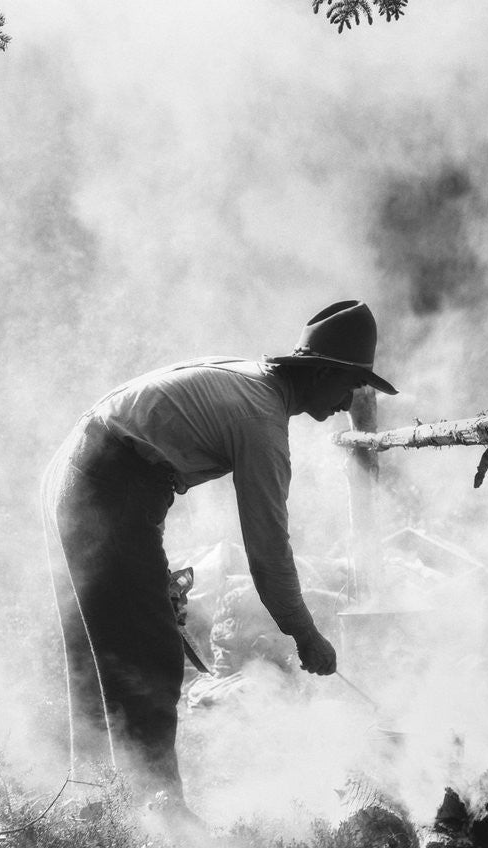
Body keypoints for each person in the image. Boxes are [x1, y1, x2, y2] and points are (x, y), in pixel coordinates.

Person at [41, 299, 397, 813]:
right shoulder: (261, 420)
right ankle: (159, 823)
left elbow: (146, 469)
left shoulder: (252, 386)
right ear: (320, 373)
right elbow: (268, 552)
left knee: (102, 654)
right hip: (103, 482)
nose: (348, 402)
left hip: (85, 472)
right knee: (148, 657)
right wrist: (306, 634)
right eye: (348, 386)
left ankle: (96, 813)